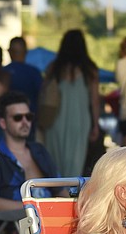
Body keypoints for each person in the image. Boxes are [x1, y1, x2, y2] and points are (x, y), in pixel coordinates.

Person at [0, 91, 60, 211]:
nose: (25, 122)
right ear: (3, 123)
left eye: (28, 117)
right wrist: (33, 209)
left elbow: (61, 188)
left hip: (53, 219)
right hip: (16, 225)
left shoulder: (39, 150)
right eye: (18, 118)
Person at [42, 29, 101, 177]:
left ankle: (56, 191)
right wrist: (95, 124)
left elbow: (44, 94)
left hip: (55, 120)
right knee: (75, 160)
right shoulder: (89, 69)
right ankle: (70, 194)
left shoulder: (54, 68)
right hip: (80, 121)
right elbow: (94, 100)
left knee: (55, 159)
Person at [3, 36, 43, 118]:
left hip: (7, 117)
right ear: (26, 52)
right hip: (30, 117)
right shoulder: (34, 73)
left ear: (9, 51)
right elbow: (42, 96)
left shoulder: (3, 72)